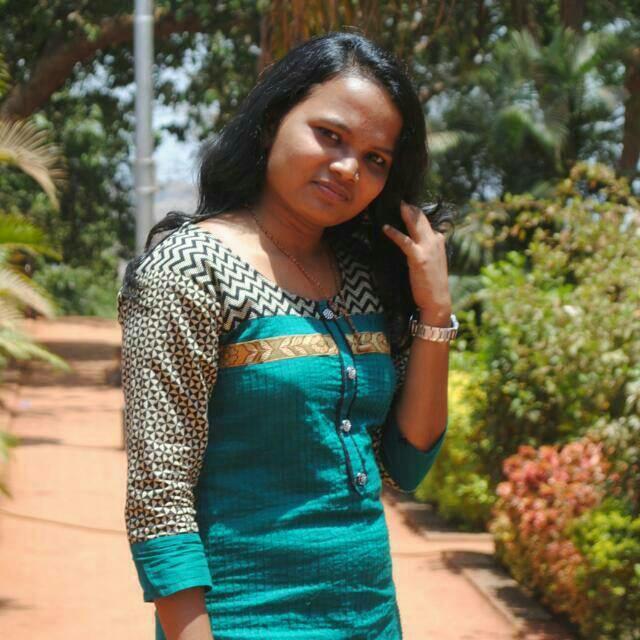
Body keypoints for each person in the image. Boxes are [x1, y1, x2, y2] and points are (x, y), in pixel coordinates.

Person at [118, 31, 456, 640]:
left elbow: (407, 463)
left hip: (371, 619)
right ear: (274, 120)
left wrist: (434, 309)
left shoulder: (363, 275)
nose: (349, 168)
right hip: (244, 619)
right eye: (330, 135)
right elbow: (158, 495)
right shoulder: (189, 269)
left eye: (376, 159)